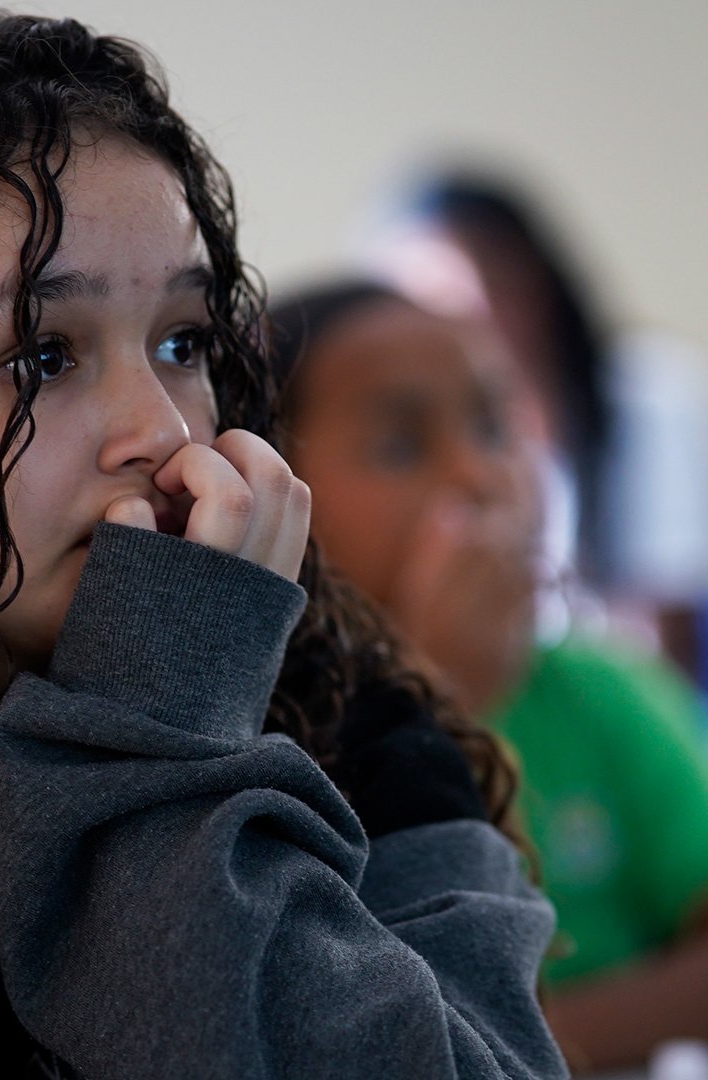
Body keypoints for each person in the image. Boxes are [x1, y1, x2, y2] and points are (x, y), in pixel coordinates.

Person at [0, 13, 567, 1079]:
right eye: (42, 356)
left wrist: (169, 727)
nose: (166, 433)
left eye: (184, 343)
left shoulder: (359, 736)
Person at [268, 279, 708, 1074]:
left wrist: (534, 1042)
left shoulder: (599, 690)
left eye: (495, 424)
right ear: (275, 498)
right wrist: (435, 699)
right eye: (400, 446)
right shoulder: (276, 745)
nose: (480, 474)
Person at [360, 167, 708, 683]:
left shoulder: (649, 393)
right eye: (429, 300)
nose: (468, 317)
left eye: (492, 286)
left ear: (538, 285)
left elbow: (665, 635)